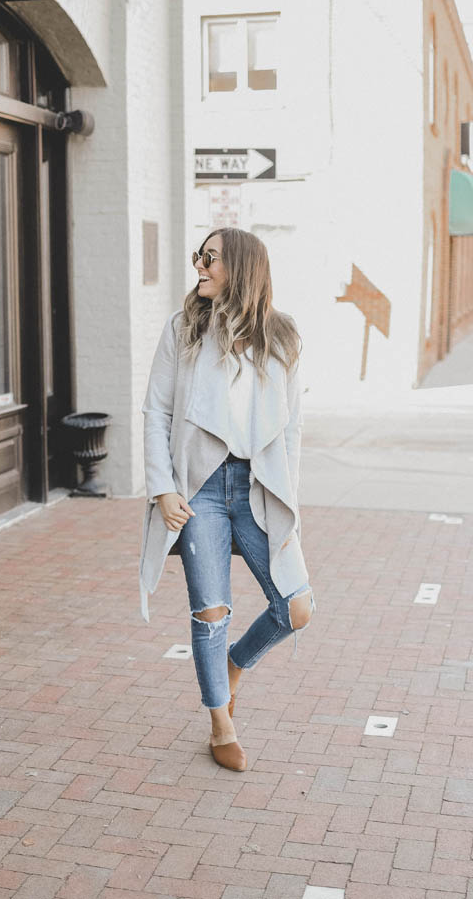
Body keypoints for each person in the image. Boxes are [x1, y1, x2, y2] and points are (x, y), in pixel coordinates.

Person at [139, 227, 314, 773]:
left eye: (210, 258)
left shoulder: (281, 338)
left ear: (239, 266)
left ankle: (236, 666)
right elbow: (156, 412)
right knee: (211, 612)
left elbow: (291, 430)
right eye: (199, 256)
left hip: (259, 486)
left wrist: (289, 499)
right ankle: (221, 723)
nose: (200, 266)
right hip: (201, 489)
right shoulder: (184, 328)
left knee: (295, 607)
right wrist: (163, 487)